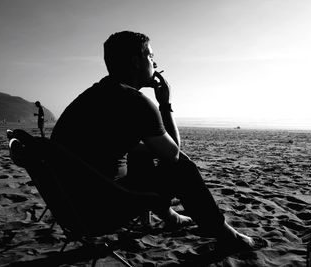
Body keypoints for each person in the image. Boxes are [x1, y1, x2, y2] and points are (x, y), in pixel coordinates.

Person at [51, 31, 266, 250]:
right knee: (183, 167)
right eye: (151, 56)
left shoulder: (91, 97)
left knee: (140, 153)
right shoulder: (135, 102)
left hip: (68, 208)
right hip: (100, 213)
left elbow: (105, 144)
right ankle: (226, 235)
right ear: (136, 62)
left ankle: (170, 217)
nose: (155, 62)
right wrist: (165, 104)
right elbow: (173, 153)